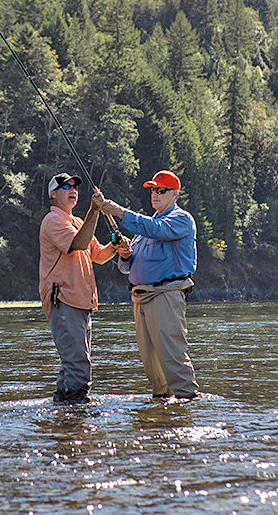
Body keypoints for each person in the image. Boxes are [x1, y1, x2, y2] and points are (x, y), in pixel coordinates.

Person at [99, 170, 200, 400]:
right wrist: (124, 254)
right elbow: (126, 267)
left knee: (172, 356)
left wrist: (119, 211)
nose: (155, 194)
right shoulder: (146, 225)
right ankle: (163, 409)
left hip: (166, 295)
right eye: (153, 190)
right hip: (140, 298)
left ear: (174, 194)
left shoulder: (181, 219)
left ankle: (189, 403)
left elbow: (157, 230)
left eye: (161, 190)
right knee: (152, 364)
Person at [39, 172, 119, 405]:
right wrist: (94, 211)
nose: (72, 189)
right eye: (66, 186)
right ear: (53, 194)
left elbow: (99, 255)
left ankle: (63, 412)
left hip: (82, 302)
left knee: (72, 364)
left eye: (75, 187)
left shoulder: (77, 224)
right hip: (64, 301)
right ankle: (77, 412)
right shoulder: (53, 221)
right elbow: (79, 244)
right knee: (78, 364)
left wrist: (115, 246)